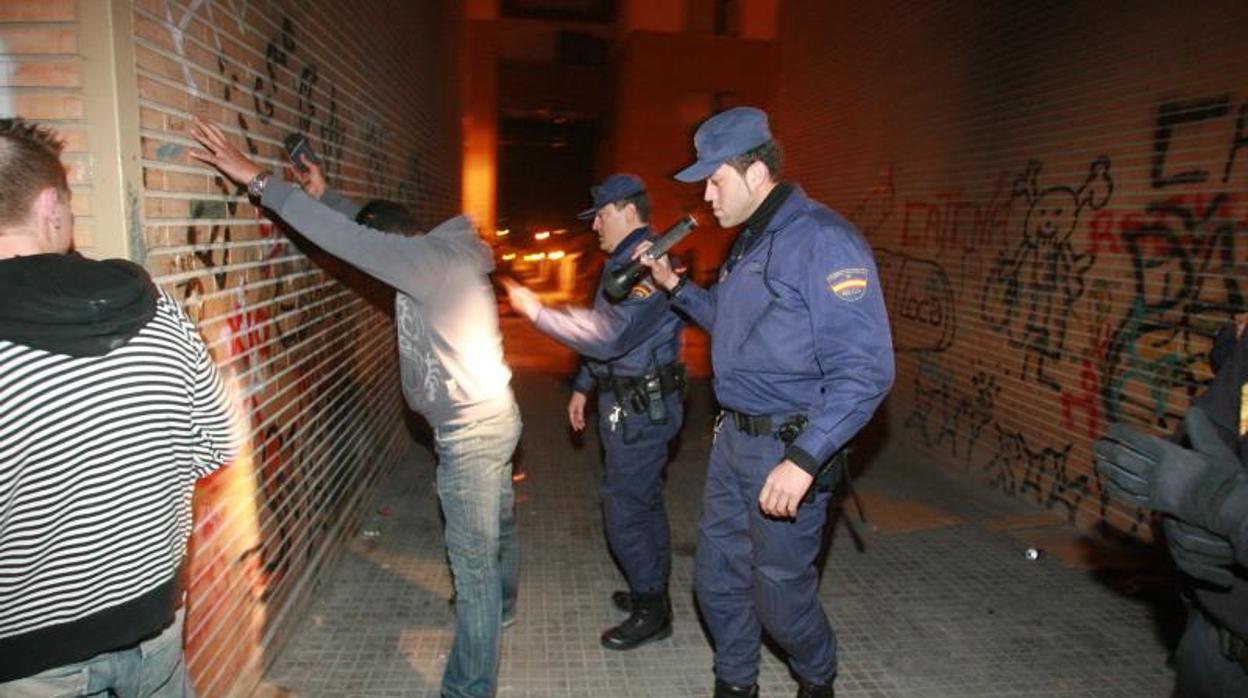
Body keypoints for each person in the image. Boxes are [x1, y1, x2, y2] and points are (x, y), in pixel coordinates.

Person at [188, 118, 521, 698]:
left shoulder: (428, 263)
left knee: (472, 570)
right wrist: (330, 197)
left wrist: (256, 179)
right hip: (493, 416)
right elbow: (372, 230)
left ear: (402, 248)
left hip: (470, 431)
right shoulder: (441, 250)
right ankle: (503, 607)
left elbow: (355, 241)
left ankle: (470, 686)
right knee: (497, 529)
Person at [638, 106, 894, 698]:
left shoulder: (824, 241)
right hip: (734, 443)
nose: (705, 194)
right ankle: (736, 684)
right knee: (717, 579)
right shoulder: (749, 241)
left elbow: (866, 371)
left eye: (715, 179)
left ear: (756, 174)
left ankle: (816, 679)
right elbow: (733, 327)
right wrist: (677, 288)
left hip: (788, 448)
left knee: (778, 595)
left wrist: (805, 460)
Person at [0, 118, 243, 695]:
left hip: (26, 655)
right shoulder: (154, 307)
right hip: (151, 620)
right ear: (49, 205)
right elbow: (218, 442)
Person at [504, 174, 685, 650]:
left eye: (601, 215)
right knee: (642, 502)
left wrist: (539, 313)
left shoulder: (651, 263)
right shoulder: (619, 262)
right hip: (622, 400)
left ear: (627, 210)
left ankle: (652, 610)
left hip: (644, 409)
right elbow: (604, 336)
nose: (596, 225)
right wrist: (584, 385)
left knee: (625, 510)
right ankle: (652, 591)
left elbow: (608, 335)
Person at [1094, 316, 1248, 698]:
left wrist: (1229, 508)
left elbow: (1220, 497)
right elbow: (1209, 432)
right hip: (1218, 648)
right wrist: (1187, 525)